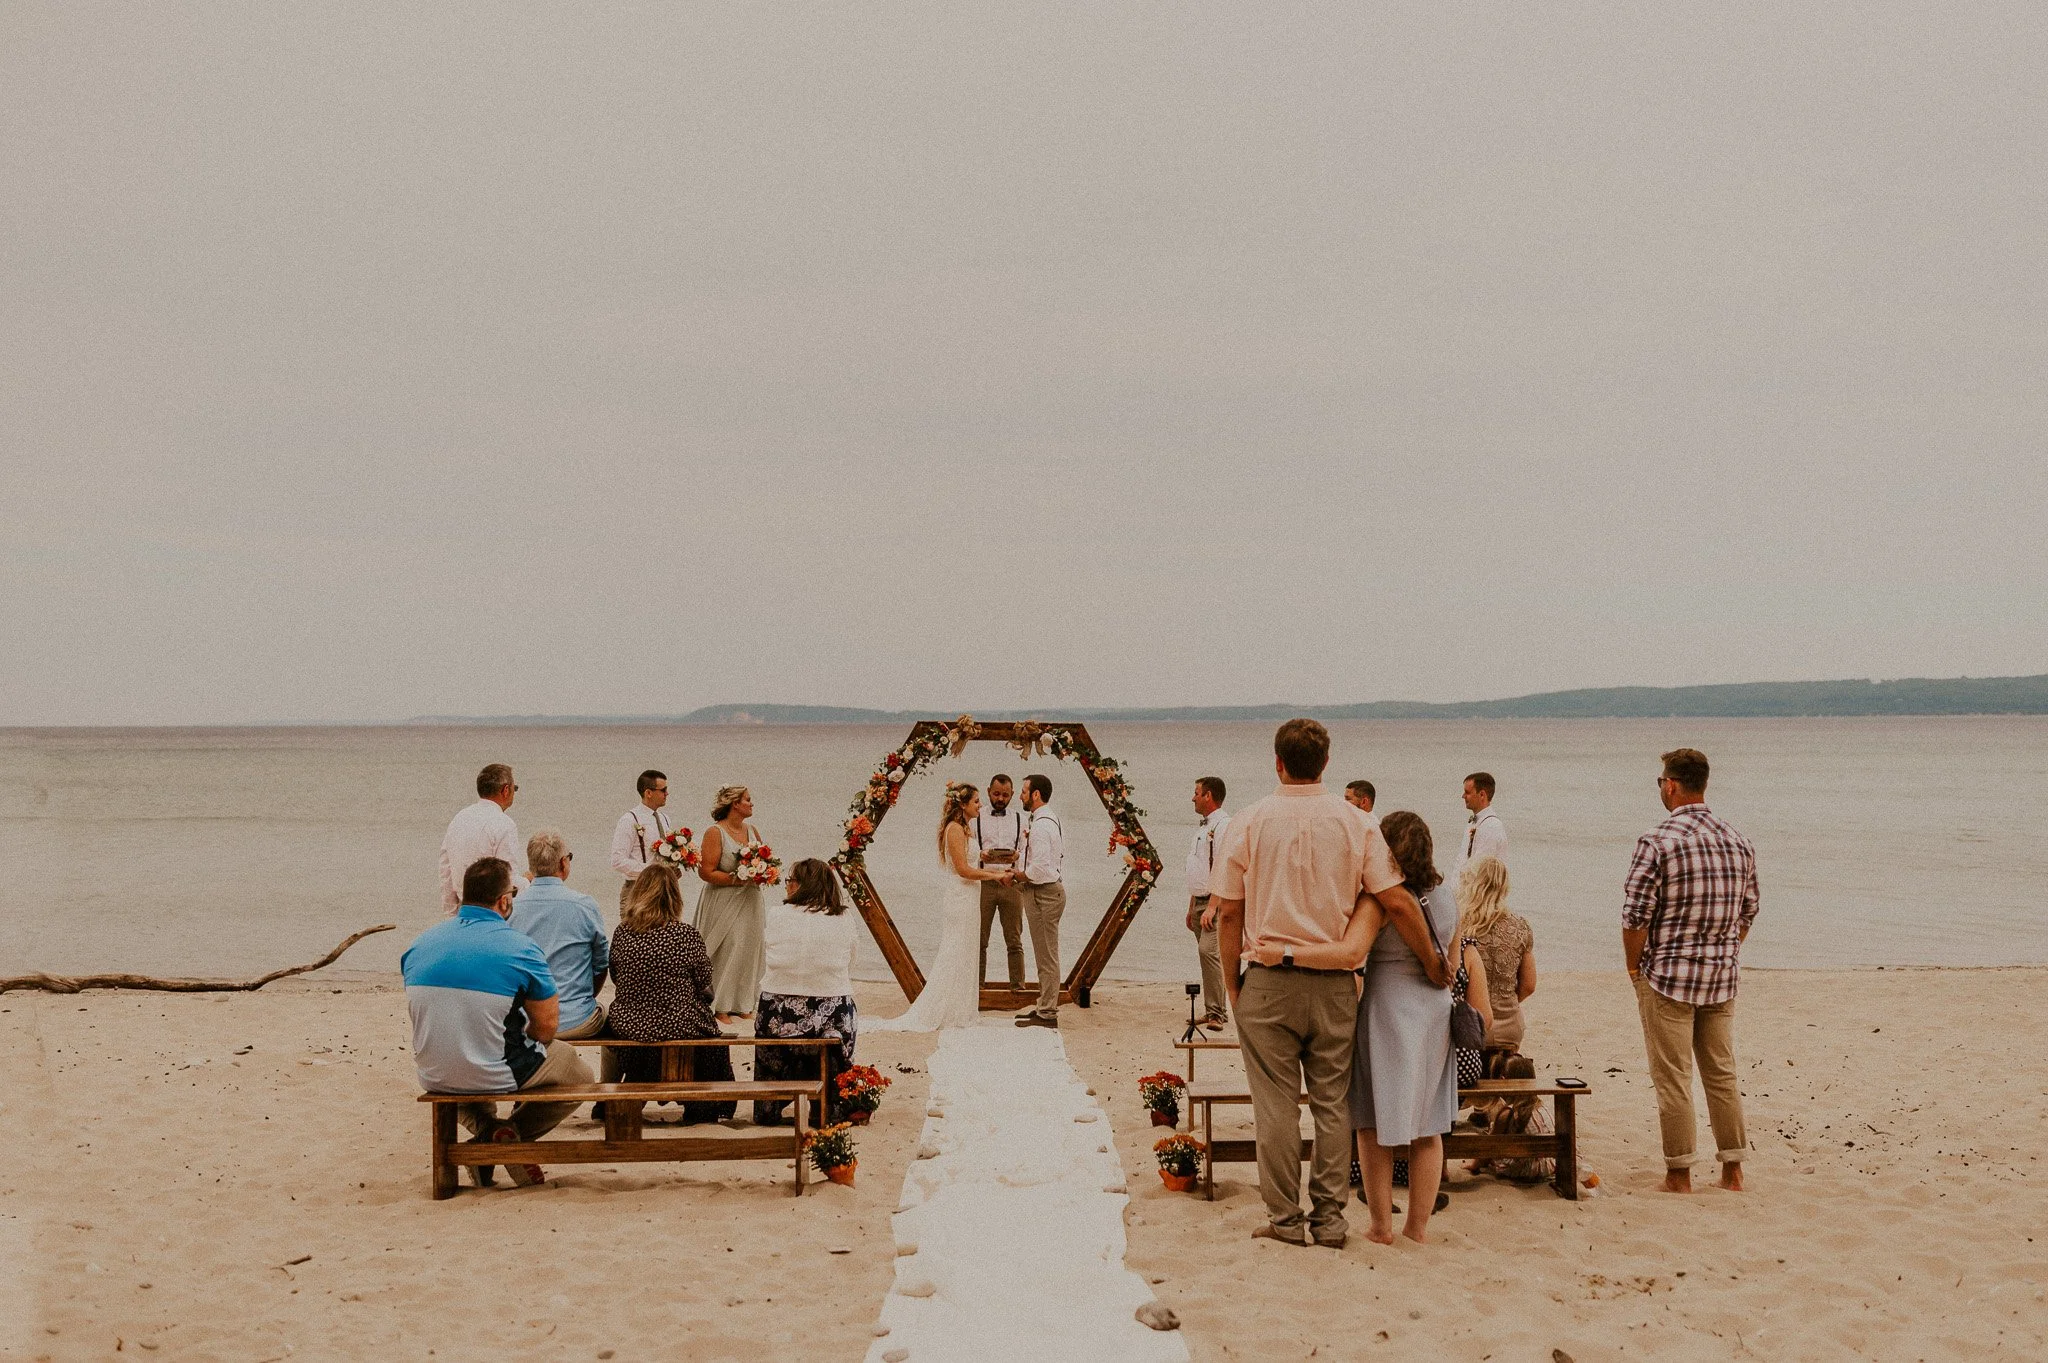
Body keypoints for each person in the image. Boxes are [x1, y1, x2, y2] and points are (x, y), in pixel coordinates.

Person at [1215, 718, 1447, 1249]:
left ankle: (1284, 1219)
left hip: (1269, 979)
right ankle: (1330, 1218)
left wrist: (1232, 985)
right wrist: (1433, 960)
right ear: (1326, 762)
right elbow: (1396, 900)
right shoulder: (1357, 824)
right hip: (1337, 983)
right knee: (1332, 1103)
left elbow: (1228, 914)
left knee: (1273, 1106)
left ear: (1277, 762)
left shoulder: (1247, 822)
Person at [402, 856, 595, 1188]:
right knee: (580, 1074)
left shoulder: (420, 944)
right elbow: (547, 1026)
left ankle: (488, 1134)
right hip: (494, 1070)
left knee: (463, 1069)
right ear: (504, 901)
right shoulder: (520, 949)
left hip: (432, 1071)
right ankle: (507, 1140)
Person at [1623, 747, 1758, 1194]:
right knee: (1721, 1072)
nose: (1661, 788)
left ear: (1672, 784)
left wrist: (1633, 965)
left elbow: (1636, 914)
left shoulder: (1657, 840)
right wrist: (1724, 949)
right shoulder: (1737, 840)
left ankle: (1679, 1174)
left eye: (1660, 782)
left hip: (1668, 977)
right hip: (1721, 976)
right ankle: (1732, 1170)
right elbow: (1749, 909)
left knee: (1673, 1077)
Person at [1346, 811, 1484, 1244]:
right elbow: (1454, 963)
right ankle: (1417, 1229)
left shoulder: (1381, 899)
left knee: (1372, 1123)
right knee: (1428, 1125)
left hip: (1387, 1005)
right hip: (1434, 1011)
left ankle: (1380, 1226)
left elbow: (1356, 956)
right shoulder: (1447, 897)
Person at [872, 783, 1011, 1032]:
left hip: (969, 897)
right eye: (977, 801)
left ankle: (962, 1009)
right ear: (963, 804)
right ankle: (949, 1011)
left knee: (967, 952)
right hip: (961, 897)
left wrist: (993, 861)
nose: (981, 805)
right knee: (956, 951)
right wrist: (995, 876)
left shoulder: (965, 829)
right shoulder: (955, 829)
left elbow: (971, 860)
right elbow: (963, 870)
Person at [605, 863, 733, 1125]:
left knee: (638, 1037)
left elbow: (616, 976)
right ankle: (704, 1105)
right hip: (680, 1022)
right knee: (709, 1038)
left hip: (633, 1023)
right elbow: (704, 982)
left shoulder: (622, 933)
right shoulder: (686, 935)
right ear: (674, 897)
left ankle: (628, 1092)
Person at [754, 858, 862, 1125]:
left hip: (779, 1012)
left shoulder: (777, 914)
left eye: (790, 880)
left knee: (771, 1025)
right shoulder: (843, 916)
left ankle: (770, 1104)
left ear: (802, 885)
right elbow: (852, 959)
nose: (787, 886)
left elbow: (766, 952)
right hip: (830, 1010)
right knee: (841, 1015)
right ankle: (827, 1102)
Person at [508, 830, 610, 1041]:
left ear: (531, 866)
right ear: (563, 863)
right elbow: (601, 965)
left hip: (529, 1023)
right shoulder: (584, 906)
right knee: (612, 1020)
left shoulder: (512, 909)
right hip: (578, 1019)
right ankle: (614, 1075)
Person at [696, 785, 778, 1021]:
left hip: (750, 900)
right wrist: (738, 877)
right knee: (727, 946)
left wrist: (765, 872)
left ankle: (743, 1004)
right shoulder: (715, 832)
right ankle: (719, 1005)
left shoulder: (752, 830)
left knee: (749, 947)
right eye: (748, 800)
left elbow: (766, 861)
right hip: (724, 899)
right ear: (735, 804)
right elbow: (706, 871)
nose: (752, 804)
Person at [1456, 855, 1536, 1058]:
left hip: (1473, 1026)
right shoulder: (1520, 926)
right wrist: (1505, 1004)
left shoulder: (1460, 926)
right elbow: (1529, 985)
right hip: (1510, 1028)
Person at [1013, 774, 1066, 1029]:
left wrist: (1017, 876)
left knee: (1047, 955)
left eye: (1024, 791)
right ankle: (1044, 1005)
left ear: (1036, 794)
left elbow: (1040, 867)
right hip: (1040, 892)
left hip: (1044, 893)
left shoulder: (1043, 825)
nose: (1020, 795)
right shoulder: (1043, 819)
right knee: (1043, 953)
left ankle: (1048, 1013)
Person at [438, 763, 526, 912]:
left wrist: (452, 914)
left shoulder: (459, 818)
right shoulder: (504, 824)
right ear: (505, 790)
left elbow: (445, 871)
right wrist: (528, 882)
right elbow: (508, 879)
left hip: (464, 910)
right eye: (514, 788)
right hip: (492, 912)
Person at [1185, 776, 1231, 1030]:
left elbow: (1224, 867)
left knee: (1209, 952)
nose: (1193, 797)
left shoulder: (1223, 825)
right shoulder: (1202, 828)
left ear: (1209, 796)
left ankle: (1217, 1014)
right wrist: (1192, 905)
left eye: (1196, 793)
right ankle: (1213, 1009)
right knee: (1206, 957)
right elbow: (1200, 868)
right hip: (1200, 902)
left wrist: (1212, 906)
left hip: (1216, 903)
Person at [974, 773, 1028, 991]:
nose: (1000, 799)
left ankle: (1018, 987)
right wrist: (981, 854)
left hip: (1011, 883)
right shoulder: (975, 817)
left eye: (1005, 795)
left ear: (1012, 795)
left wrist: (1017, 858)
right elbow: (967, 849)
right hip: (984, 883)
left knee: (1014, 940)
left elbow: (1027, 850)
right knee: (979, 939)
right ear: (988, 791)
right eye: (996, 794)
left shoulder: (1019, 818)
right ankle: (977, 987)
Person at [609, 769, 675, 914]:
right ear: (648, 793)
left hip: (663, 891)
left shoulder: (664, 819)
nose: (667, 793)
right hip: (638, 890)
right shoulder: (629, 820)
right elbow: (617, 860)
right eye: (663, 790)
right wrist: (650, 871)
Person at [1453, 772, 1507, 881]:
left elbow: (1479, 869)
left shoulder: (1491, 826)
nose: (1463, 796)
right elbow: (1462, 860)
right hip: (1461, 893)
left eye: (1467, 792)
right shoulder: (1473, 822)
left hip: (1478, 894)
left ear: (1482, 795)